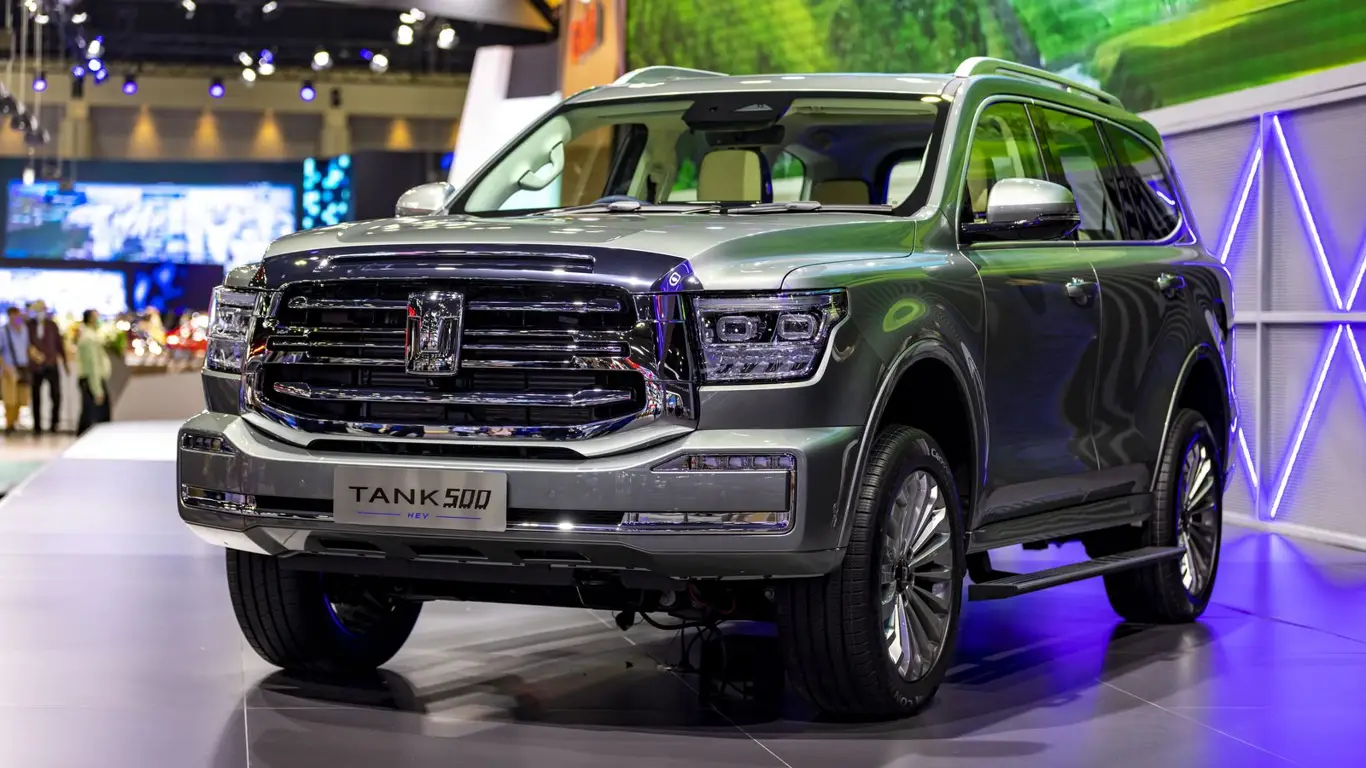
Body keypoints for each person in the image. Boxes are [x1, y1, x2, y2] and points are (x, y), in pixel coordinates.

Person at [27, 300, 67, 434]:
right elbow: (25, 343)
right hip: (36, 366)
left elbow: (59, 344)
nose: (40, 312)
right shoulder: (29, 325)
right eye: (38, 310)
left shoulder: (52, 325)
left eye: (42, 309)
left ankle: (54, 424)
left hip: (51, 364)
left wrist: (64, 362)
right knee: (36, 396)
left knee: (56, 395)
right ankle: (37, 426)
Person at [76, 309, 112, 435]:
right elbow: (93, 365)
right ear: (91, 319)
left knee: (88, 414)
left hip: (91, 380)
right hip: (91, 380)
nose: (99, 320)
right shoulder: (89, 338)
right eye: (97, 317)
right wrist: (97, 390)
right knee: (94, 415)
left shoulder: (90, 335)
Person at [0, 306, 32, 434]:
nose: (17, 318)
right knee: (10, 399)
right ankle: (9, 425)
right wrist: (5, 367)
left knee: (21, 398)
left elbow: (27, 347)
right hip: (9, 369)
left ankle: (15, 422)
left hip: (23, 367)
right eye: (14, 316)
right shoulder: (4, 331)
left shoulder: (24, 329)